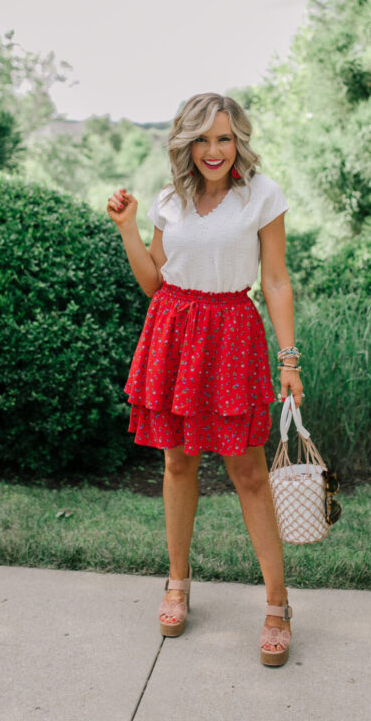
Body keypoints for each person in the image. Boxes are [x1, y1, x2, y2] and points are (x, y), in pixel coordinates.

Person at [107, 92, 304, 667]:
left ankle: (277, 605)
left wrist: (288, 360)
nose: (213, 150)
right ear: (185, 143)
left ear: (238, 141)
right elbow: (154, 281)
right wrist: (128, 227)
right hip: (172, 330)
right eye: (201, 139)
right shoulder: (172, 199)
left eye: (223, 138)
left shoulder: (262, 195)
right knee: (176, 463)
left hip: (232, 336)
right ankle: (177, 583)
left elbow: (275, 281)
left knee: (247, 471)